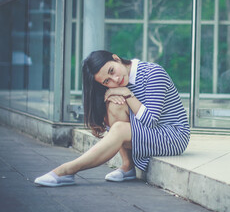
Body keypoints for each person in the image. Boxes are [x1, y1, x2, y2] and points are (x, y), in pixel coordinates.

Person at [34, 50, 190, 187]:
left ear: (116, 58)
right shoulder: (118, 83)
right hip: (150, 131)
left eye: (111, 70)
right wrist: (118, 94)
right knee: (115, 104)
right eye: (107, 81)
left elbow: (151, 120)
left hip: (173, 135)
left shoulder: (153, 73)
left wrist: (126, 93)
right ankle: (128, 166)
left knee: (119, 125)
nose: (115, 79)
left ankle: (67, 170)